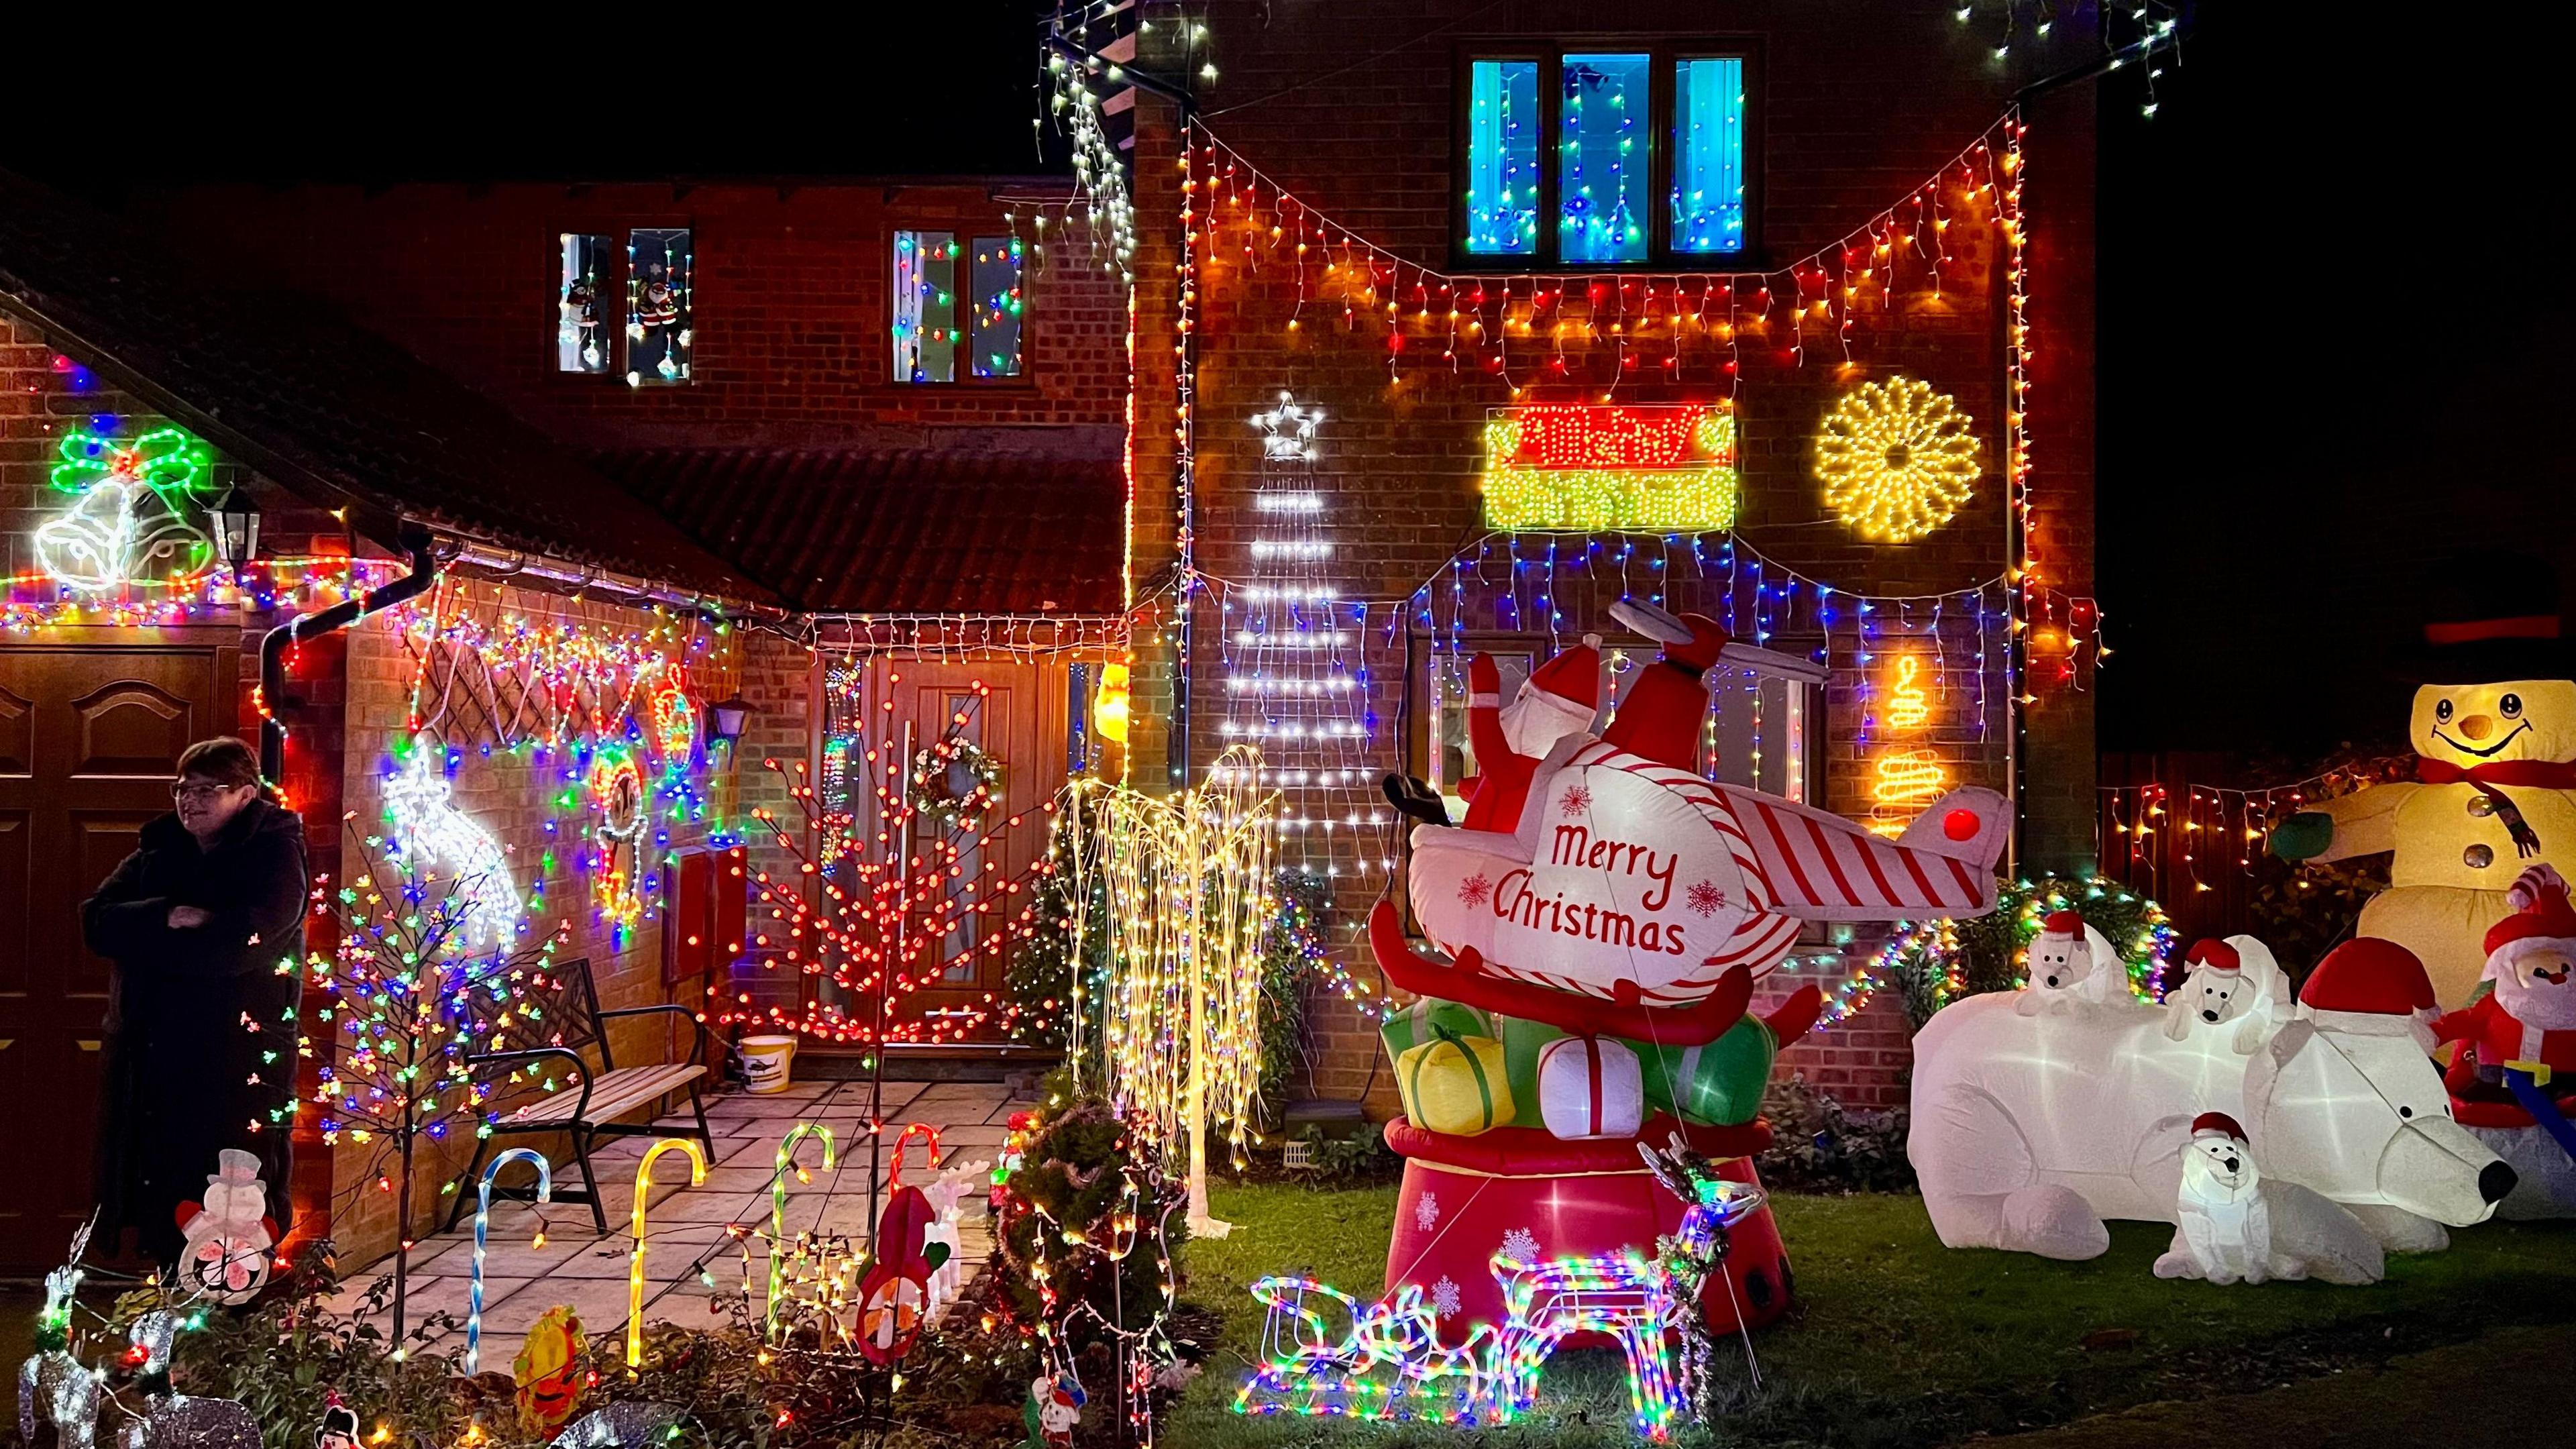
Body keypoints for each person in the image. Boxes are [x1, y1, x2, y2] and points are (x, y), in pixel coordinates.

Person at [82, 737, 307, 1267]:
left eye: (209, 789)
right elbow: (96, 919)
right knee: (157, 1188)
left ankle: (230, 1322)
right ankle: (165, 1302)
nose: (190, 801)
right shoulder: (160, 848)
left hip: (232, 1057)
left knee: (229, 1198)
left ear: (247, 794)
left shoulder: (274, 853)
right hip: (151, 1047)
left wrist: (152, 943)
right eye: (183, 788)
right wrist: (165, 914)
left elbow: (243, 945)